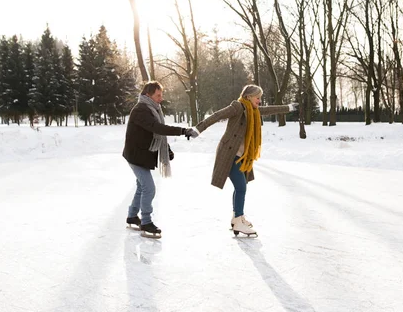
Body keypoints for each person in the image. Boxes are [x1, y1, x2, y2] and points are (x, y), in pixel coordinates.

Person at [194, 84, 296, 237]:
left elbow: (268, 110)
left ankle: (238, 217)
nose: (260, 101)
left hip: (243, 155)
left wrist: (287, 107)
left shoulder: (252, 110)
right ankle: (238, 220)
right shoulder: (237, 107)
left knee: (241, 186)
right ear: (248, 97)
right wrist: (197, 129)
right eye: (258, 97)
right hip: (230, 154)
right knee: (241, 187)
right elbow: (217, 115)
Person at [123, 81, 198, 238]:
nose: (161, 98)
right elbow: (157, 128)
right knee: (149, 188)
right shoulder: (141, 110)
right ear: (148, 95)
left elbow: (158, 133)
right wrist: (183, 130)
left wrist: (167, 149)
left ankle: (131, 216)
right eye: (158, 95)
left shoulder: (153, 108)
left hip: (143, 154)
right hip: (136, 155)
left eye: (161, 95)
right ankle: (146, 222)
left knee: (141, 186)